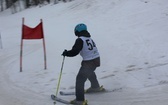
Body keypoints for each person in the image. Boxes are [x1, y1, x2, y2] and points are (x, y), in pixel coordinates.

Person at [62, 23, 104, 105]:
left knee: (80, 80)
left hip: (89, 62)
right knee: (90, 72)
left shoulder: (80, 40)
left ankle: (80, 100)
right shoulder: (89, 38)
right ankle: (95, 87)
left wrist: (66, 53)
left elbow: (75, 51)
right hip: (96, 59)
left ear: (77, 31)